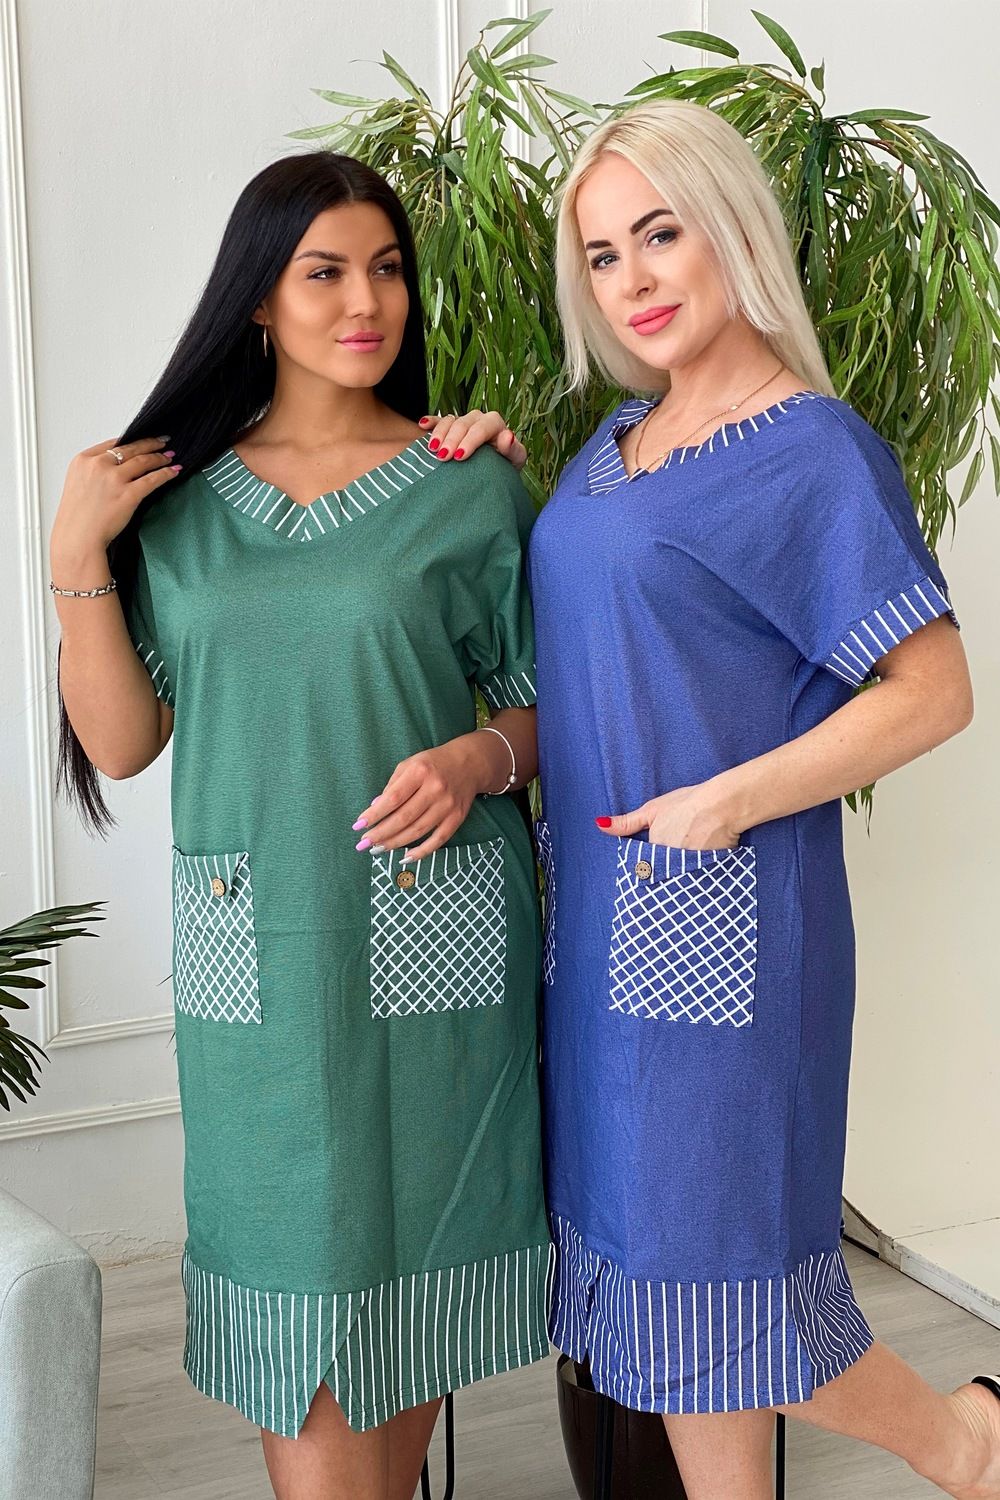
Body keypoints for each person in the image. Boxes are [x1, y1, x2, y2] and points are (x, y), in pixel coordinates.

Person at [426, 100, 1000, 1500]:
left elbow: (934, 692)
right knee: (661, 1302)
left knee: (729, 1284)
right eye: (602, 254)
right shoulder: (614, 440)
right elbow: (597, 638)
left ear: (732, 228)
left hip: (731, 938)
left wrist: (731, 801)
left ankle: (968, 1445)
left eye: (660, 234)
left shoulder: (812, 451)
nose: (632, 278)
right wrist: (489, 466)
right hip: (599, 940)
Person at [49, 152, 551, 1500]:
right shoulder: (176, 504)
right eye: (324, 271)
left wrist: (479, 757)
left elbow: (551, 706)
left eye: (386, 268)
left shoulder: (466, 483)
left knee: (406, 1296)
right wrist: (73, 558)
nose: (365, 300)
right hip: (256, 964)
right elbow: (121, 743)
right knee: (296, 1305)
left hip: (438, 937)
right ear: (257, 299)